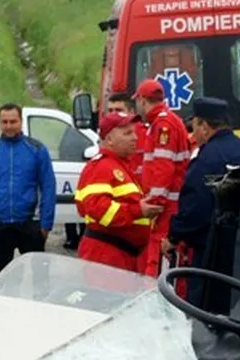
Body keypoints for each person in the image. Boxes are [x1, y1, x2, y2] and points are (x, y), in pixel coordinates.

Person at [165, 96, 240, 310]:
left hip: (213, 252)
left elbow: (194, 210)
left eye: (195, 127)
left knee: (206, 315)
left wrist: (173, 238)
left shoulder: (206, 159)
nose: (194, 134)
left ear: (205, 127)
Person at [0, 103, 56, 283]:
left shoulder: (37, 150)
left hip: (29, 224)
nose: (9, 126)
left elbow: (48, 188)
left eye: (13, 122)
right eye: (5, 122)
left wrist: (45, 225)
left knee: (40, 283)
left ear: (21, 122)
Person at [74, 112, 163, 272]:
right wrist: (138, 210)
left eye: (134, 132)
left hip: (120, 255)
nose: (135, 138)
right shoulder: (101, 167)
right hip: (106, 255)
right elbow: (98, 208)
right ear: (109, 139)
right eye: (127, 133)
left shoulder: (119, 166)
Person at [133, 77, 192, 277]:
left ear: (142, 100)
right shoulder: (168, 121)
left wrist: (154, 203)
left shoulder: (162, 125)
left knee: (159, 264)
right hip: (171, 205)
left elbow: (163, 168)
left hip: (166, 208)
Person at [105, 91, 145, 179]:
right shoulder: (106, 135)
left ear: (131, 112)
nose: (114, 114)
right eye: (110, 110)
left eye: (119, 110)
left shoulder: (146, 134)